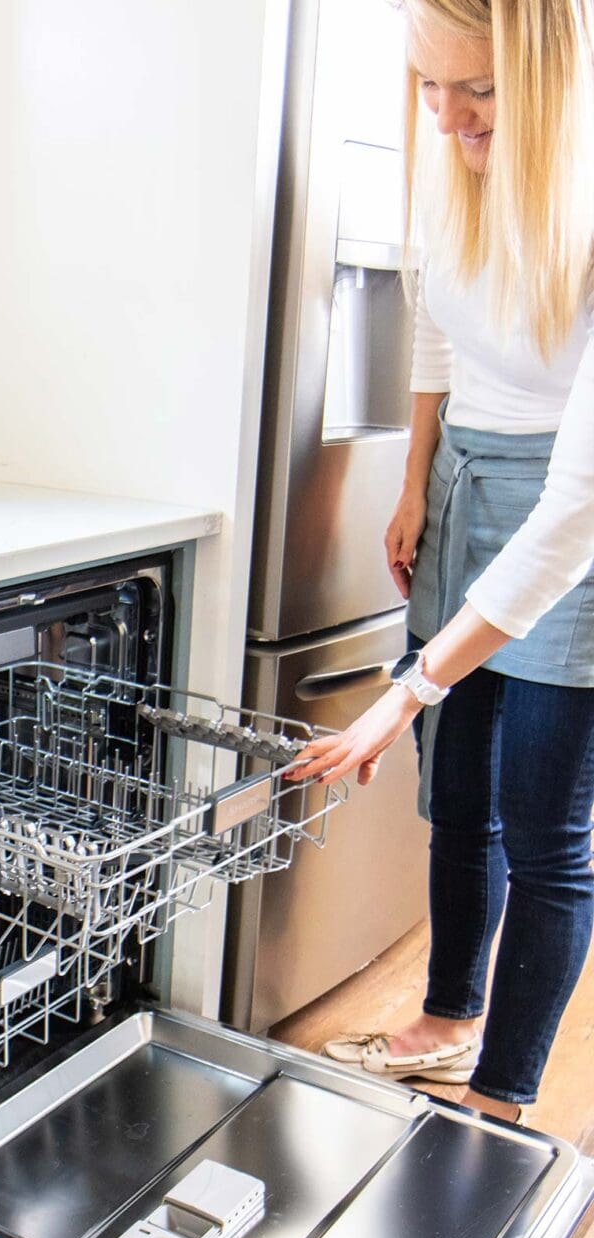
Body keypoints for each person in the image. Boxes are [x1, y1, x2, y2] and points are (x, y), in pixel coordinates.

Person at [287, 0, 594, 1125]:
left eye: (481, 94)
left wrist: (404, 685)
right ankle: (446, 1015)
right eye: (428, 86)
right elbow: (433, 328)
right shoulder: (447, 164)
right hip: (465, 477)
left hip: (574, 518)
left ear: (551, 83)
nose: (450, 118)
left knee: (547, 821)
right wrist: (414, 477)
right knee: (456, 790)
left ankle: (502, 1098)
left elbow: (576, 508)